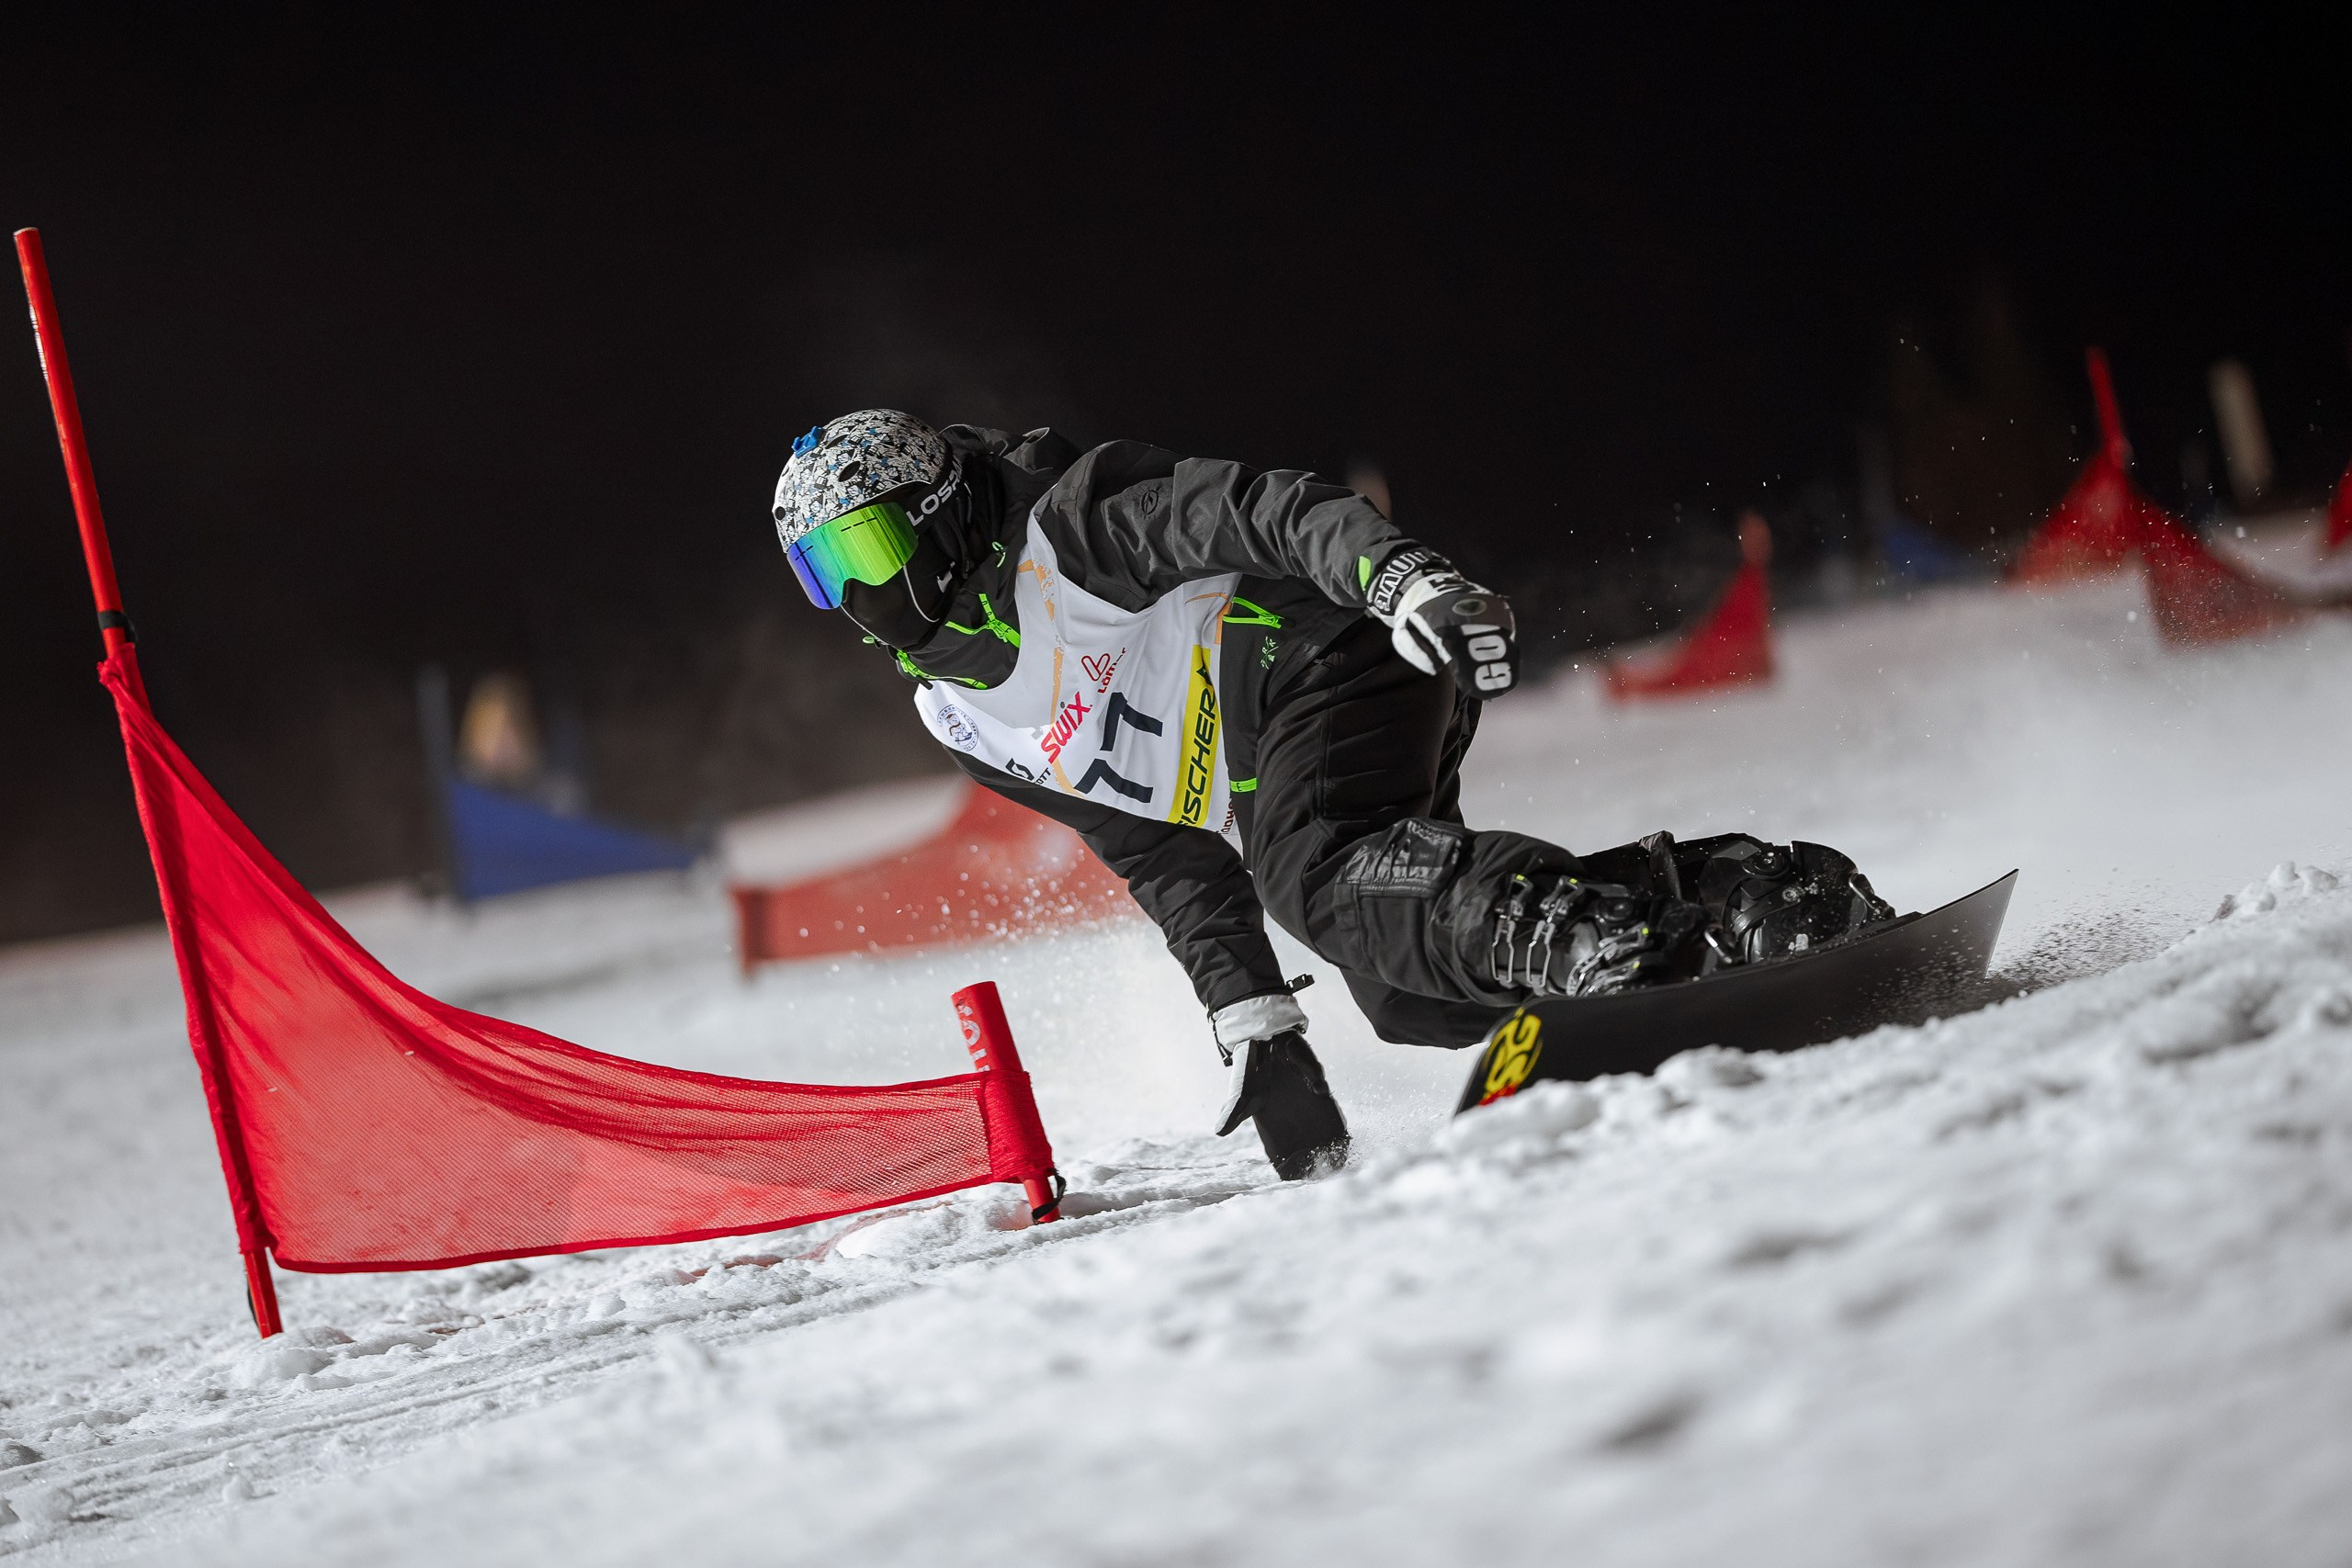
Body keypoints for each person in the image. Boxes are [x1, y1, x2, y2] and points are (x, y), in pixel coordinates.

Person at [770, 412, 1894, 1178]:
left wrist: (1402, 579)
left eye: (867, 547)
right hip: (1281, 768)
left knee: (1315, 877)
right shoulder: (960, 717)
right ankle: (1736, 897)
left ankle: (1600, 942)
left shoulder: (1071, 528)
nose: (858, 593)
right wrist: (1256, 1021)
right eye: (825, 572)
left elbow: (1260, 509)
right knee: (1407, 997)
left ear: (940, 509)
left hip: (1323, 650)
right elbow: (1158, 850)